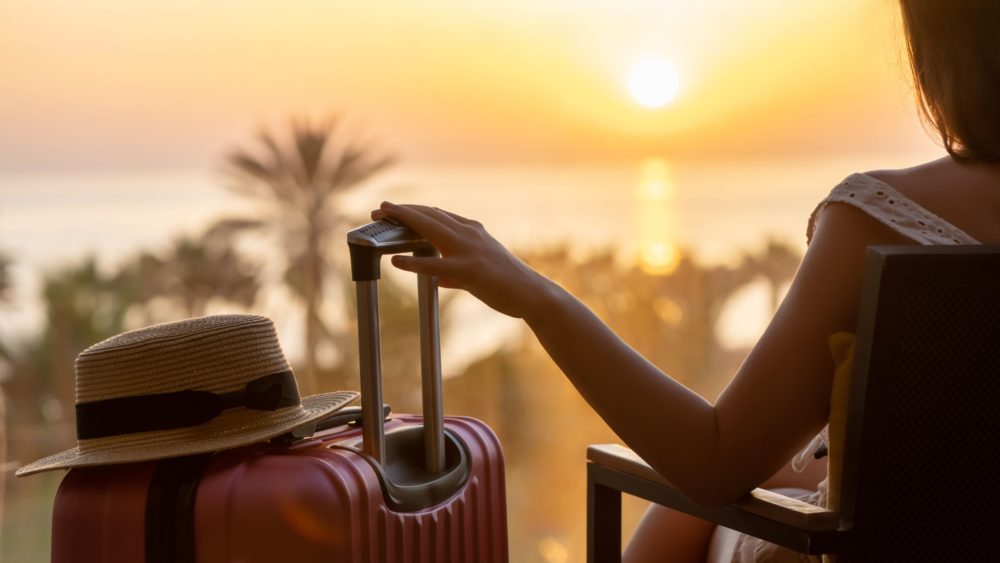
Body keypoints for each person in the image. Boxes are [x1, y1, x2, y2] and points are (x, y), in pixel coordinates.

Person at [373, 1, 1000, 560]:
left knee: (690, 507)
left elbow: (713, 462)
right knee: (790, 473)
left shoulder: (878, 219)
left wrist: (535, 296)